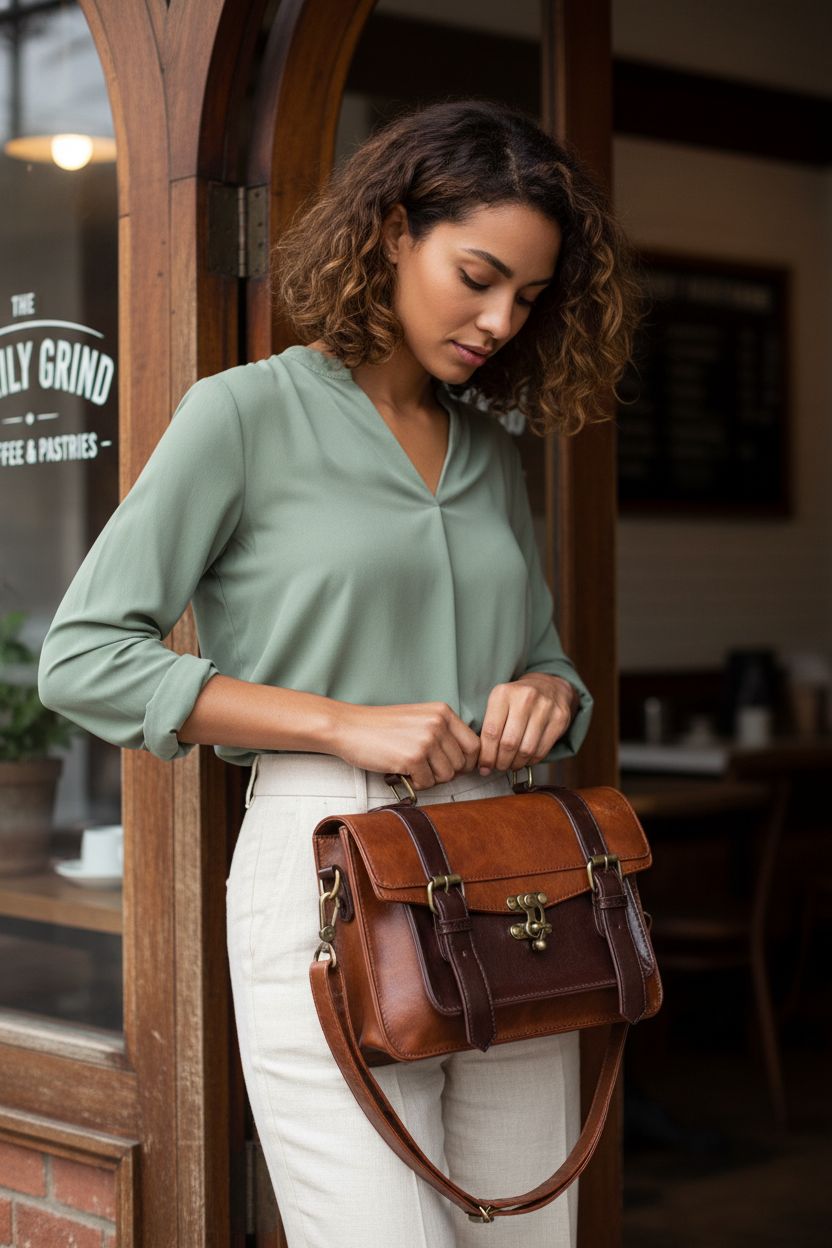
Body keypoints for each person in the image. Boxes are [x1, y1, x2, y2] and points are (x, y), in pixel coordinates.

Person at [38, 98, 642, 1247]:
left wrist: (547, 696)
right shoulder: (244, 417)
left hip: (510, 868)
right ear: (389, 233)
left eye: (527, 296)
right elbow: (84, 657)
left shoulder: (492, 450)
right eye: (476, 275)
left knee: (529, 1235)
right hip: (331, 860)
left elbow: (543, 658)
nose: (499, 320)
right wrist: (342, 726)